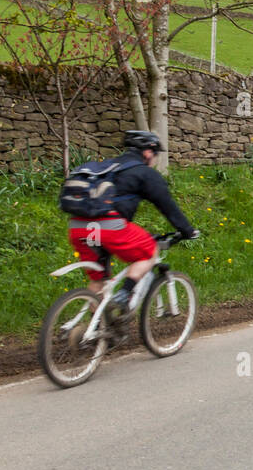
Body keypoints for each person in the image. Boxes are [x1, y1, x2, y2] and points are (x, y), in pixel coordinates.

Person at [66, 130, 200, 336]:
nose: (155, 160)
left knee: (98, 280)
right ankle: (124, 295)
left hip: (79, 228)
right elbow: (167, 206)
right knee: (149, 251)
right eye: (155, 155)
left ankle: (98, 330)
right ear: (147, 152)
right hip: (108, 227)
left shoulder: (109, 167)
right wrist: (187, 230)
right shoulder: (145, 173)